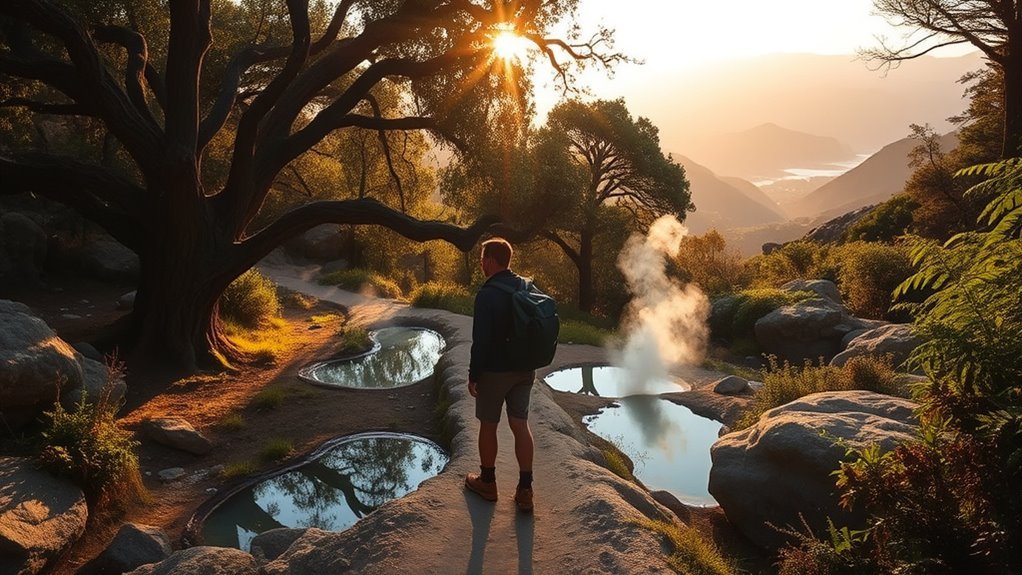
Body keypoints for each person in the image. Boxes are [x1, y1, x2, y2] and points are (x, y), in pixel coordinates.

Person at [464, 237, 536, 512]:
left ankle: (488, 482)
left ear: (492, 260)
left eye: (483, 259)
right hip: (524, 370)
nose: (481, 264)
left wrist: (473, 375)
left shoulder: (487, 294)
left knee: (489, 425)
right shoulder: (526, 285)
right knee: (520, 425)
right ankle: (525, 489)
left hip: (495, 371)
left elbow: (480, 341)